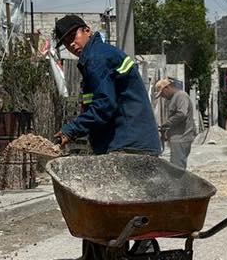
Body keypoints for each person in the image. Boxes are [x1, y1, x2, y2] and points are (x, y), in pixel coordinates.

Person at [53, 14, 161, 156]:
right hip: (135, 142)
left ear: (87, 30)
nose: (71, 44)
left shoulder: (97, 58)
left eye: (73, 36)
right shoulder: (100, 54)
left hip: (127, 144)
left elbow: (103, 106)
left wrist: (71, 130)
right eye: (66, 42)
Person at [155, 77, 196, 170]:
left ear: (167, 88)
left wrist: (166, 124)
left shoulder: (181, 96)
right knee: (174, 166)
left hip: (181, 138)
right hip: (176, 138)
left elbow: (182, 114)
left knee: (177, 168)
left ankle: (180, 184)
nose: (162, 96)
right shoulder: (173, 98)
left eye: (162, 93)